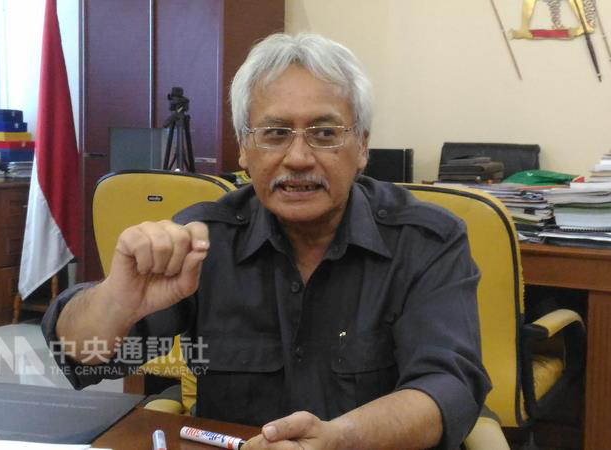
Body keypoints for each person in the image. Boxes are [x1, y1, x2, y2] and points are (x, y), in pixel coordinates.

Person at [42, 33, 489, 449]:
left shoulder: (426, 240)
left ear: (362, 147)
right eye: (275, 134)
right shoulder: (205, 239)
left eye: (325, 133)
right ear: (243, 147)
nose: (298, 158)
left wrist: (339, 439)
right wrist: (117, 299)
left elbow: (448, 386)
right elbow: (84, 356)